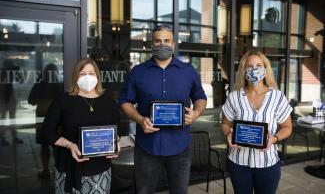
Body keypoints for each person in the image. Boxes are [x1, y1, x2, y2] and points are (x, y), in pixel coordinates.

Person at [119, 25, 207, 194]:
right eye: (158, 41)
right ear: (152, 44)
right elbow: (125, 101)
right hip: (147, 147)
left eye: (167, 40)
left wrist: (196, 113)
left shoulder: (188, 71)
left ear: (173, 44)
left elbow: (200, 97)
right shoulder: (138, 72)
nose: (162, 44)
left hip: (179, 146)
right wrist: (139, 119)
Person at [42, 58, 120, 193]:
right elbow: (47, 131)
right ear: (75, 77)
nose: (88, 77)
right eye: (82, 74)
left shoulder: (108, 100)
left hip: (100, 168)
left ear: (97, 76)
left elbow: (116, 130)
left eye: (91, 73)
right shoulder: (63, 100)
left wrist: (116, 143)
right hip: (69, 167)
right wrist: (69, 145)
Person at [220, 50, 292, 194]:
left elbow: (287, 127)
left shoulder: (277, 97)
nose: (254, 70)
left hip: (268, 163)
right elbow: (225, 123)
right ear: (244, 70)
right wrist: (228, 134)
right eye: (250, 66)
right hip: (238, 163)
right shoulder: (234, 97)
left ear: (265, 69)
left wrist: (274, 138)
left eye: (258, 65)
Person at [28, 63, 63, 180]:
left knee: (46, 146)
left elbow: (31, 101)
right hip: (53, 119)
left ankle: (46, 170)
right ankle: (57, 170)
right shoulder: (59, 85)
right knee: (56, 145)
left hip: (42, 117)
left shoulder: (40, 85)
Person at [0, 59, 23, 146]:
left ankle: (11, 137)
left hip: (8, 96)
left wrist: (17, 72)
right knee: (5, 118)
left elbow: (20, 80)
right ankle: (5, 137)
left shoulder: (9, 72)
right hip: (3, 96)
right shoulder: (3, 72)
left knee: (9, 118)